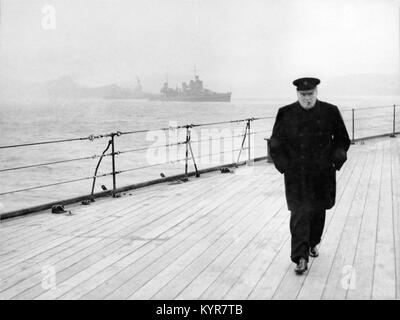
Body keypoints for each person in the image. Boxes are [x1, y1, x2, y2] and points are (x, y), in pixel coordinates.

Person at [268, 77, 350, 274]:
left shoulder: (330, 111)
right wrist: (285, 166)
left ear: (316, 93)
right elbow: (275, 143)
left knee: (317, 212)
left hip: (322, 173)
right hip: (297, 175)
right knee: (299, 214)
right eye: (303, 95)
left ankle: (313, 242)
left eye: (310, 94)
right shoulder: (285, 113)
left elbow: (343, 139)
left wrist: (335, 160)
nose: (307, 98)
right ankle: (300, 257)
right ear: (297, 94)